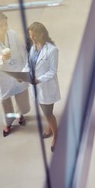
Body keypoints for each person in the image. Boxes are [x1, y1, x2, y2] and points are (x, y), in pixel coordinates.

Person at [0, 12, 30, 137]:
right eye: (0, 25)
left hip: (17, 70)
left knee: (22, 96)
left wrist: (24, 70)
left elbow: (22, 51)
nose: (4, 27)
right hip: (3, 74)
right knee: (5, 100)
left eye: (5, 24)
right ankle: (7, 123)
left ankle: (20, 115)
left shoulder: (13, 34)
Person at [28, 22, 61, 152]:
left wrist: (39, 79)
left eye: (34, 36)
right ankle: (49, 128)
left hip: (47, 87)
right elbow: (30, 64)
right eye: (30, 35)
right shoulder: (33, 47)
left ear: (42, 34)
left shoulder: (52, 50)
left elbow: (53, 71)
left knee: (48, 113)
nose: (32, 38)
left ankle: (56, 135)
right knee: (46, 112)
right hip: (36, 87)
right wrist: (23, 74)